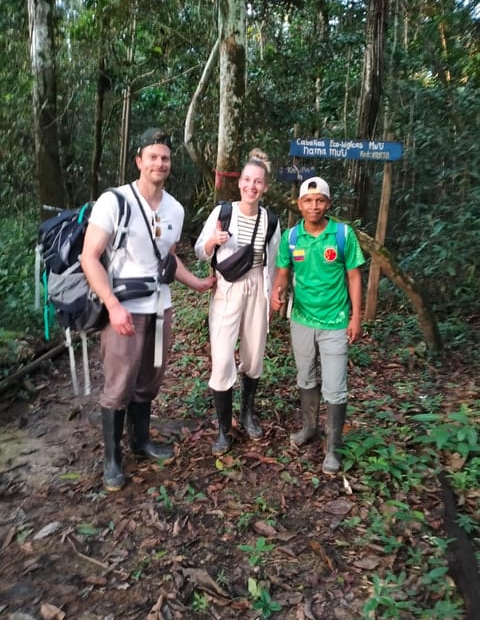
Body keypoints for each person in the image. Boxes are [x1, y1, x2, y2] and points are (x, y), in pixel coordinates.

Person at [81, 127, 216, 491]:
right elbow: (89, 256)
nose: (160, 163)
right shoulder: (115, 201)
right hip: (124, 308)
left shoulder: (175, 208)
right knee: (119, 383)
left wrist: (199, 283)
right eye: (153, 156)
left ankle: (140, 442)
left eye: (165, 158)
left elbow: (168, 259)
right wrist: (112, 306)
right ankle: (112, 459)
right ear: (139, 160)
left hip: (161, 309)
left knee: (149, 380)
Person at [270, 176, 364, 474]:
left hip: (335, 321)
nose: (314, 206)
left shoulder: (342, 234)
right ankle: (310, 427)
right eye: (308, 201)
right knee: (305, 376)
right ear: (299, 204)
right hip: (301, 319)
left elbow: (354, 277)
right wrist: (278, 291)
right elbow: (284, 271)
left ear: (328, 204)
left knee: (335, 387)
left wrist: (356, 316)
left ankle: (333, 447)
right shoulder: (291, 237)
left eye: (320, 200)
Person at [195, 150, 281, 455]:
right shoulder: (223, 213)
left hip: (257, 287)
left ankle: (246, 413)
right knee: (221, 357)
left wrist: (275, 293)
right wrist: (212, 243)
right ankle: (223, 429)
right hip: (228, 289)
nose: (251, 186)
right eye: (247, 180)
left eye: (258, 182)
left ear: (265, 187)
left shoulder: (270, 220)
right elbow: (199, 251)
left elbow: (274, 261)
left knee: (254, 355)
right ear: (239, 182)